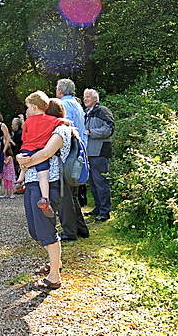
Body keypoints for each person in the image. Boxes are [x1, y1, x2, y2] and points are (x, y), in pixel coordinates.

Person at [16, 100, 72, 290]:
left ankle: (54, 276)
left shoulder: (61, 130)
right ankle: (55, 263)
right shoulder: (46, 130)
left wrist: (23, 160)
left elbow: (46, 153)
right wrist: (20, 160)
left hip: (48, 184)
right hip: (33, 182)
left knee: (46, 230)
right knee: (36, 230)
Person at [15, 91, 64, 218]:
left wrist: (26, 147)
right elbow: (59, 122)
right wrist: (67, 122)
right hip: (39, 151)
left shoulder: (28, 121)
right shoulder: (50, 120)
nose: (27, 110)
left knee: (24, 165)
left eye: (28, 107)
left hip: (27, 149)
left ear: (34, 107)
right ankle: (44, 198)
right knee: (43, 176)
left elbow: (24, 137)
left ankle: (20, 181)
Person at [55, 79, 90, 241]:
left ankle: (69, 232)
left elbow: (65, 129)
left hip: (68, 154)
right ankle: (81, 229)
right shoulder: (77, 105)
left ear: (61, 90)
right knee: (73, 195)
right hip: (79, 152)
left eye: (57, 88)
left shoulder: (65, 105)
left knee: (64, 195)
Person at [83, 89, 115, 222]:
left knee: (101, 182)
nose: (85, 99)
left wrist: (91, 132)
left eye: (88, 97)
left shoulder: (103, 111)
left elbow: (109, 129)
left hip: (100, 152)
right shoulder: (87, 114)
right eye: (84, 97)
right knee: (93, 182)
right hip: (90, 153)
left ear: (95, 99)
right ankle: (98, 208)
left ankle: (105, 211)